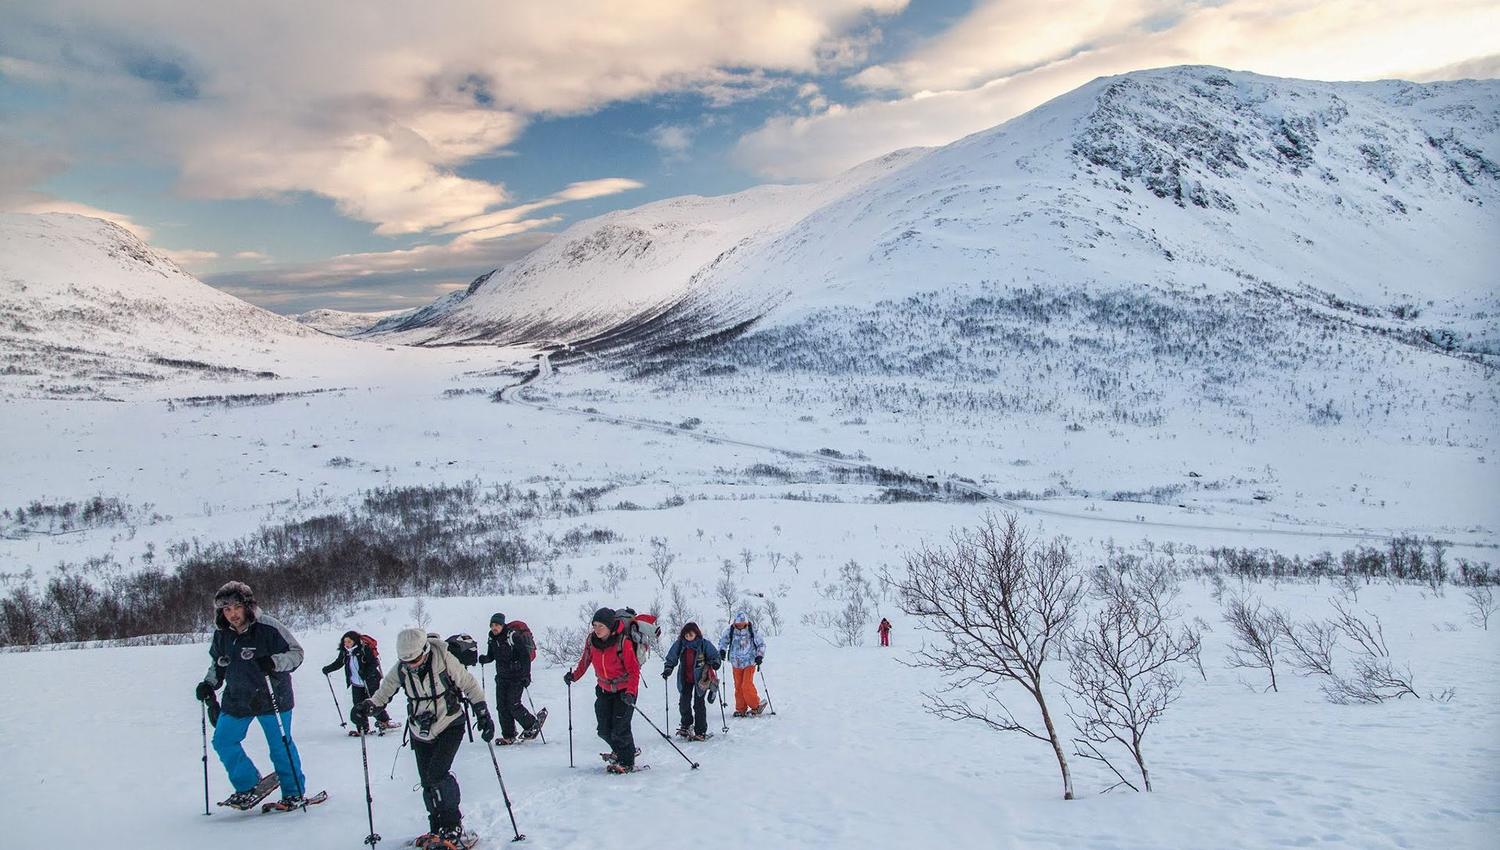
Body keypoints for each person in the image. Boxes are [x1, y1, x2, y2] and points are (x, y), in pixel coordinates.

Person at [355, 628, 493, 850]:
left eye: (416, 659)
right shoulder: (402, 668)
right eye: (406, 661)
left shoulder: (443, 657)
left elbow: (469, 684)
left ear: (425, 650)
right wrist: (368, 706)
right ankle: (436, 826)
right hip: (420, 728)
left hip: (450, 723)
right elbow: (385, 690)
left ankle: (452, 826)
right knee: (427, 780)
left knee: (438, 774)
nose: (412, 665)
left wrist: (482, 712)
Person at [194, 580, 309, 810]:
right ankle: (247, 783)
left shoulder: (269, 627)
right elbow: (219, 664)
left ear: (247, 605)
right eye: (226, 609)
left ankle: (293, 793)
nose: (232, 614)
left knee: (280, 745)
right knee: (223, 741)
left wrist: (274, 662)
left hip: (272, 697)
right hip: (238, 698)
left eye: (236, 607)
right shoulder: (222, 635)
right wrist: (209, 684)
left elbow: (297, 654)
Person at [563, 607, 641, 773]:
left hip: (624, 690)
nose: (597, 629)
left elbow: (634, 671)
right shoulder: (592, 641)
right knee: (603, 730)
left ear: (610, 626)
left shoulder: (623, 642)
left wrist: (631, 692)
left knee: (620, 729)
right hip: (604, 689)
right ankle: (625, 751)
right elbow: (585, 660)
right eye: (595, 625)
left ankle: (626, 762)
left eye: (601, 626)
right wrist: (574, 676)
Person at [476, 613, 546, 744]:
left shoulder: (512, 636)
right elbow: (491, 656)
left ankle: (531, 724)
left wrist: (526, 676)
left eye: (497, 625)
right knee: (501, 707)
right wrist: (485, 659)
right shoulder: (492, 639)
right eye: (492, 625)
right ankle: (508, 735)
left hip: (517, 676)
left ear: (503, 625)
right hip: (501, 677)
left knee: (513, 704)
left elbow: (525, 657)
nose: (494, 628)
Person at [321, 630, 399, 735]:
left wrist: (366, 672)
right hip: (356, 683)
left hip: (370, 681)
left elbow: (374, 662)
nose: (346, 644)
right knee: (358, 706)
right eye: (345, 642)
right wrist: (328, 669)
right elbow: (339, 663)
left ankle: (384, 722)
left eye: (349, 641)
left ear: (355, 641)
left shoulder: (364, 649)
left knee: (374, 703)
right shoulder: (345, 652)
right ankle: (362, 728)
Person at [661, 622, 721, 740]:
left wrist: (715, 663)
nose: (688, 637)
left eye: (690, 635)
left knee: (698, 704)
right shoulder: (680, 644)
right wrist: (668, 668)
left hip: (701, 679)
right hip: (686, 678)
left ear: (696, 634)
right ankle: (686, 725)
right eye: (686, 635)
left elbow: (715, 655)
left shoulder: (703, 644)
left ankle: (700, 731)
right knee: (684, 702)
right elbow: (672, 656)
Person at [719, 609, 767, 717]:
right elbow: (723, 641)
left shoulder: (752, 631)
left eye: (742, 624)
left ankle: (756, 706)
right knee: (738, 686)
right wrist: (722, 650)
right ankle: (741, 709)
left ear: (746, 623)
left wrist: (759, 656)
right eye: (738, 624)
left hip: (750, 661)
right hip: (736, 662)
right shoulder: (730, 631)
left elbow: (761, 644)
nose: (740, 626)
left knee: (746, 685)